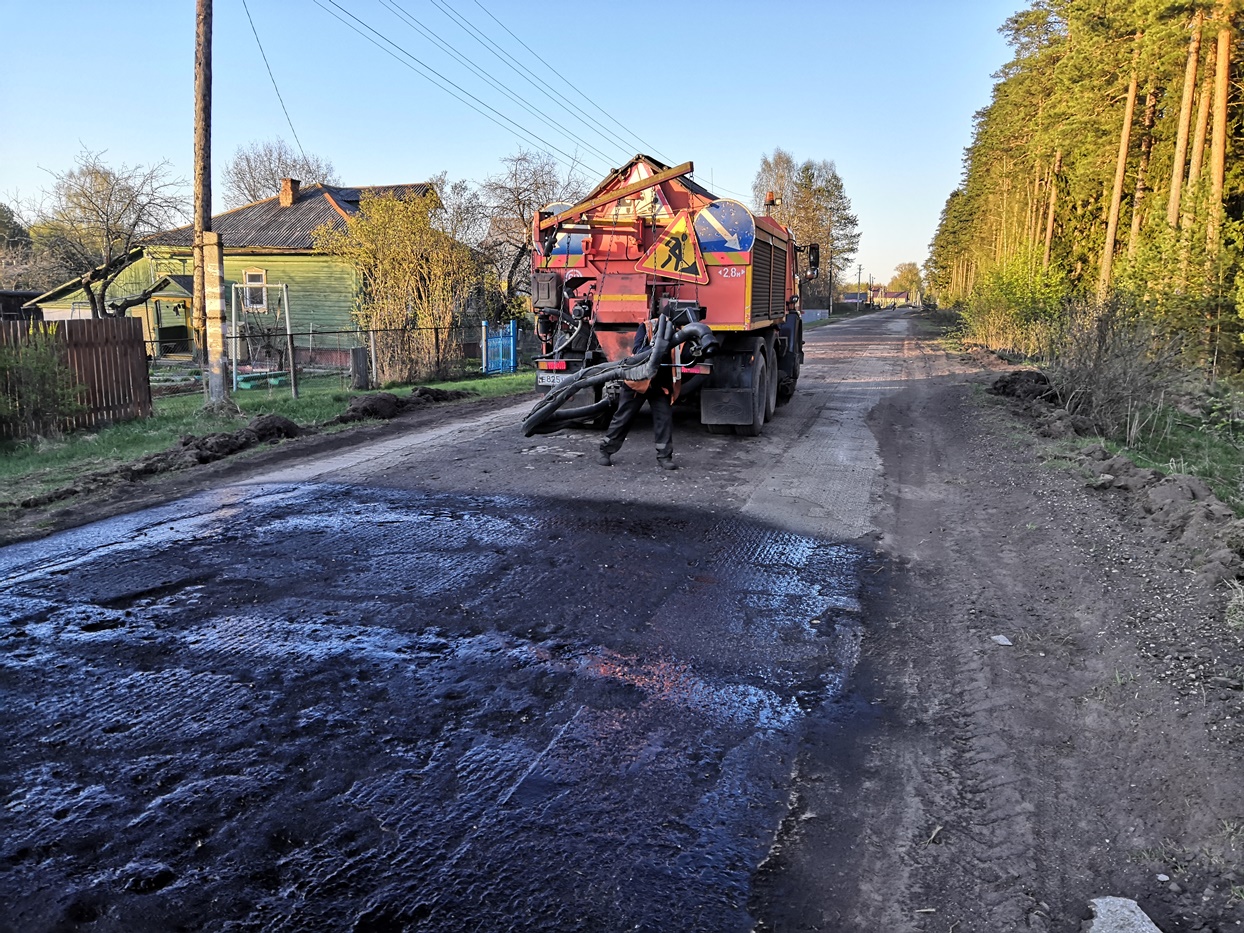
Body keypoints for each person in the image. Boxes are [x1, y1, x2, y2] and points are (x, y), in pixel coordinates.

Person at [597, 318, 678, 470]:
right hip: (637, 381)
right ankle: (605, 451)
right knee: (623, 417)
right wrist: (657, 347)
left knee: (664, 419)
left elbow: (684, 356)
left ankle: (665, 456)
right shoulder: (646, 327)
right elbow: (638, 352)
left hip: (659, 384)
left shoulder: (680, 332)